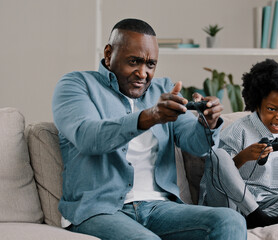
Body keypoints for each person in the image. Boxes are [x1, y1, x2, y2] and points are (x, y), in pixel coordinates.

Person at [52, 18, 246, 240]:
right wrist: (149, 117)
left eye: (150, 64)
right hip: (99, 210)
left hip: (160, 208)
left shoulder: (162, 89)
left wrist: (208, 123)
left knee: (230, 220)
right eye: (134, 62)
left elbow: (197, 145)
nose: (142, 73)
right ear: (108, 53)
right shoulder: (76, 85)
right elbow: (87, 137)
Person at [199, 59, 278, 229]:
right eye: (272, 109)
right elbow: (219, 172)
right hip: (233, 203)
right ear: (257, 104)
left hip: (270, 204)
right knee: (218, 154)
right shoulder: (239, 129)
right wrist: (244, 156)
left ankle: (252, 220)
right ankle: (253, 216)